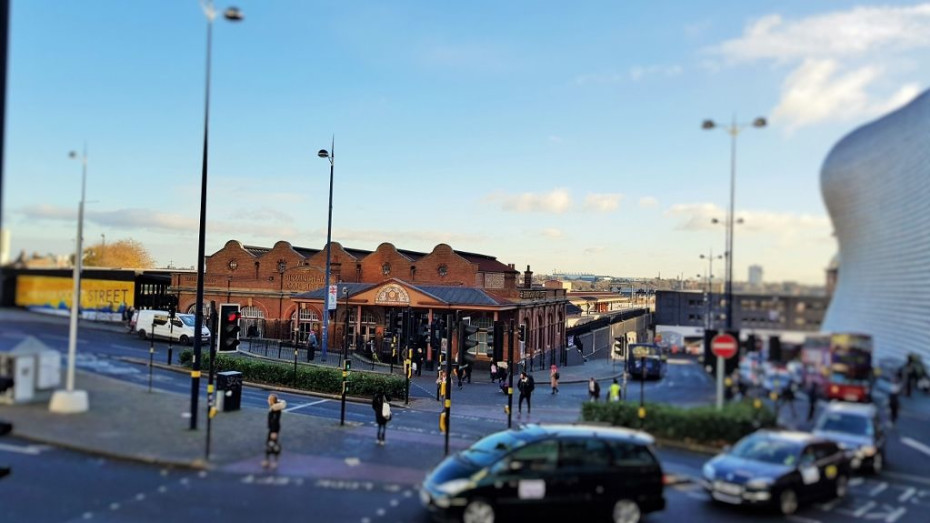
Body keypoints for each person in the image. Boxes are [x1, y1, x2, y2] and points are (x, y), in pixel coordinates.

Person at [262, 393, 287, 470]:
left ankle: (274, 462)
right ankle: (267, 461)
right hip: (272, 429)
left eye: (269, 399)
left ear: (272, 401)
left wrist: (274, 432)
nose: (267, 400)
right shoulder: (274, 407)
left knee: (273, 445)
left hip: (274, 429)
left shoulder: (275, 409)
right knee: (269, 444)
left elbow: (275, 421)